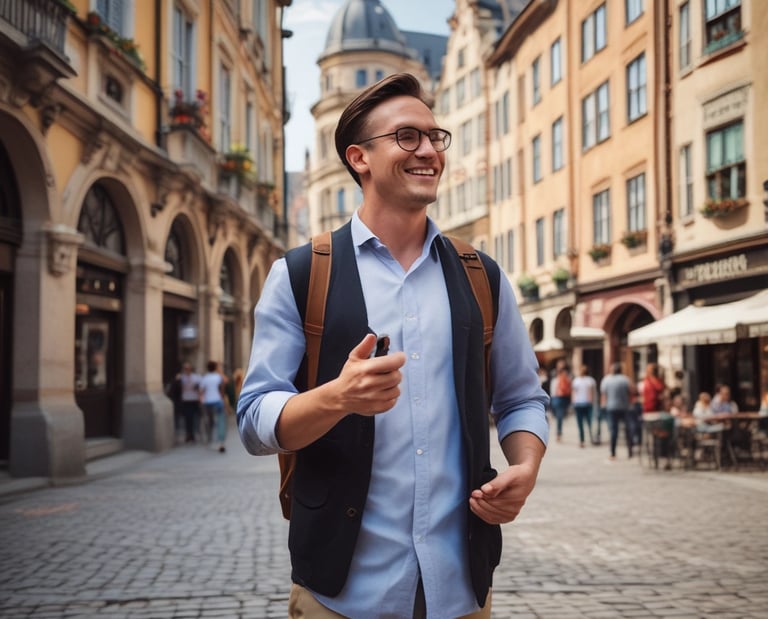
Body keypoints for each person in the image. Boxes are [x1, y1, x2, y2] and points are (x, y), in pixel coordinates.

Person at [237, 73, 549, 619]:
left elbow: (522, 398)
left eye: (435, 136)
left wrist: (525, 465)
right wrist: (336, 397)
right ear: (359, 157)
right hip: (341, 593)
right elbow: (254, 418)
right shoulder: (301, 273)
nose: (429, 150)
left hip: (461, 588)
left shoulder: (483, 277)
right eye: (408, 136)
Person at [600, 362, 633, 460]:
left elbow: (603, 394)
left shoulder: (606, 380)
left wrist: (603, 405)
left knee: (614, 431)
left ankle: (613, 453)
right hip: (624, 407)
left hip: (611, 407)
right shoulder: (625, 379)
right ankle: (630, 451)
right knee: (627, 430)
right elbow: (631, 391)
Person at [200, 360, 227, 453]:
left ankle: (209, 440)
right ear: (215, 368)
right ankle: (221, 442)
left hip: (207, 402)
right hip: (218, 401)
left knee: (209, 421)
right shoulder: (218, 377)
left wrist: (202, 400)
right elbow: (223, 385)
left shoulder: (205, 378)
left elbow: (201, 391)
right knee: (221, 422)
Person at [571, 365, 596, 448]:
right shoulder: (580, 380)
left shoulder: (588, 380)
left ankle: (588, 439)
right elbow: (574, 393)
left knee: (587, 422)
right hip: (580, 403)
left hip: (584, 403)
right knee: (583, 423)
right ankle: (584, 440)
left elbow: (592, 393)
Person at [177, 362, 201, 444]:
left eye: (188, 368)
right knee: (187, 419)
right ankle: (188, 435)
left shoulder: (196, 377)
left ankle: (194, 434)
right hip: (186, 400)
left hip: (194, 400)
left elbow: (200, 386)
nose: (187, 370)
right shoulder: (181, 377)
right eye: (185, 368)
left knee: (195, 418)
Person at [549, 360, 572, 442]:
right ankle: (559, 432)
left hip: (560, 398)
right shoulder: (556, 376)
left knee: (559, 416)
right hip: (557, 398)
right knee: (559, 415)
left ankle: (559, 433)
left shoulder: (564, 376)